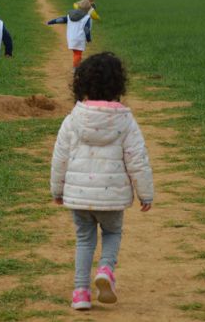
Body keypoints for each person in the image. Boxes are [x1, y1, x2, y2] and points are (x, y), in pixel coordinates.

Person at [50, 52, 154, 310]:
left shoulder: (73, 118)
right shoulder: (126, 121)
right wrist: (145, 193)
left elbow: (60, 157)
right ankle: (106, 270)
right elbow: (137, 159)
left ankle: (81, 293)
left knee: (84, 240)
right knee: (112, 232)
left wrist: (57, 189)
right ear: (119, 85)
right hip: (111, 197)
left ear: (82, 85)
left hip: (79, 198)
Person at [47, 0, 93, 70]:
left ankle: (78, 63)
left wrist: (51, 22)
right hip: (79, 39)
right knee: (78, 54)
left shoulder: (70, 15)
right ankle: (75, 68)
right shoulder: (87, 18)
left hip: (71, 38)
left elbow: (62, 19)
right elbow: (86, 30)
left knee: (76, 53)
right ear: (88, 9)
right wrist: (88, 39)